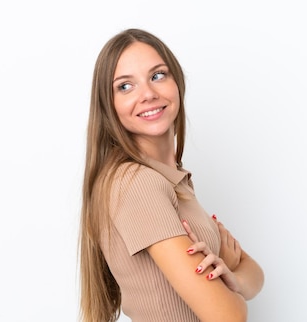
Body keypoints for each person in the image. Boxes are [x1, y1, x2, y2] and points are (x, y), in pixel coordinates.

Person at [78, 28, 264, 322]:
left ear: (177, 81)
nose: (148, 94)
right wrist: (234, 289)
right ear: (108, 105)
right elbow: (229, 316)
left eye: (157, 75)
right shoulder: (138, 184)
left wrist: (233, 278)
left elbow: (255, 274)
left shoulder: (171, 179)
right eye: (125, 86)